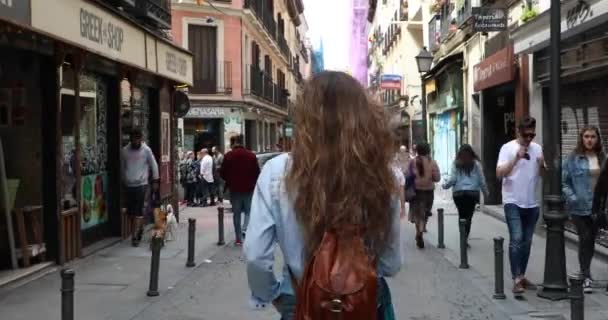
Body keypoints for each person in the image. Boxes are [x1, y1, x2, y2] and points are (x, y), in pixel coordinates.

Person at [244, 71, 402, 319]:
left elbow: (255, 255)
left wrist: (271, 294)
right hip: (367, 301)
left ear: (306, 118)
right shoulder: (384, 173)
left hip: (301, 300)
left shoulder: (276, 172)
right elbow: (391, 264)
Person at [496, 116, 546, 295]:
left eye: (532, 135)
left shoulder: (537, 148)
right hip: (512, 201)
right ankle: (516, 278)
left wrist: (542, 166)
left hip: (532, 203)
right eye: (526, 135)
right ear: (519, 132)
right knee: (516, 238)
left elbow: (542, 174)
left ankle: (522, 275)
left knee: (527, 242)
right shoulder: (507, 148)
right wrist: (516, 159)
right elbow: (499, 173)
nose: (529, 139)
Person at [564, 126, 605, 293]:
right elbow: (563, 182)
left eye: (593, 137)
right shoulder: (573, 158)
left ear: (597, 139)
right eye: (586, 136)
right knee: (585, 239)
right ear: (582, 138)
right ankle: (585, 275)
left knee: (591, 241)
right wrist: (573, 198)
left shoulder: (603, 158)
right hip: (579, 208)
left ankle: (585, 273)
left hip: (596, 207)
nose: (589, 140)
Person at [442, 144, 489, 248]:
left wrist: (445, 186)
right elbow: (481, 180)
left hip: (458, 194)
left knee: (461, 215)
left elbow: (453, 179)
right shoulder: (476, 164)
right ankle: (465, 237)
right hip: (472, 193)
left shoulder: (456, 163)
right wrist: (486, 192)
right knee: (469, 216)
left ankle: (463, 237)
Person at [121, 128, 159, 247]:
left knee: (137, 211)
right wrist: (123, 180)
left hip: (141, 184)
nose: (136, 142)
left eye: (138, 139)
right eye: (133, 140)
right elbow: (122, 167)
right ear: (130, 139)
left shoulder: (146, 150)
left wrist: (156, 180)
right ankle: (140, 227)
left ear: (141, 139)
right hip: (128, 185)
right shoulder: (125, 151)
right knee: (131, 213)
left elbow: (154, 164)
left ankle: (134, 236)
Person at [220, 134, 260, 246]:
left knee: (236, 213)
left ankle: (238, 238)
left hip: (234, 189)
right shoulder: (251, 156)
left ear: (233, 144)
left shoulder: (229, 156)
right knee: (248, 211)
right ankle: (245, 229)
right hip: (249, 188)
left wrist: (230, 180)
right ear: (243, 143)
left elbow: (222, 173)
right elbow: (257, 172)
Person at [408, 142, 440, 249]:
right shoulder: (432, 162)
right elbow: (437, 178)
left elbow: (407, 175)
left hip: (416, 192)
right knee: (425, 213)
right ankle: (421, 230)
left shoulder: (412, 162)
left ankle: (419, 231)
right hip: (428, 192)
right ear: (428, 150)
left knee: (418, 214)